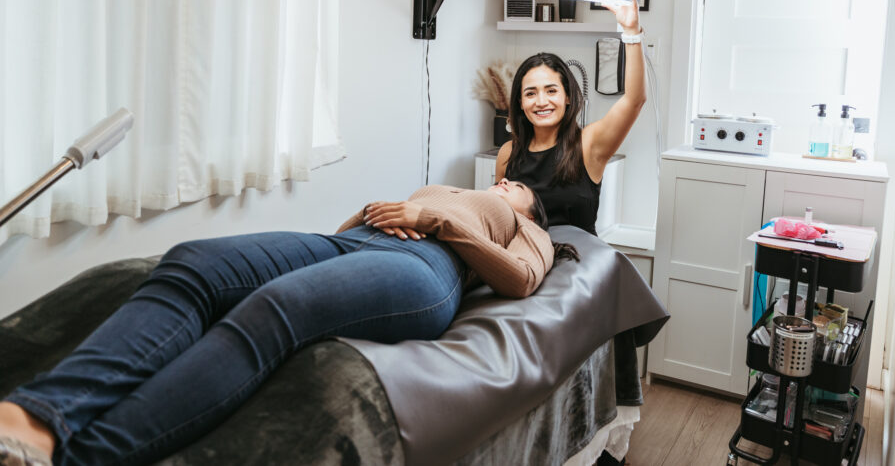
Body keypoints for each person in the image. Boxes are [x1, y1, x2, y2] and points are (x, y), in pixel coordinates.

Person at [0, 180, 552, 466]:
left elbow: (521, 279)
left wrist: (429, 218)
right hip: (348, 241)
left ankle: (84, 457)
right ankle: (35, 419)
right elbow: (358, 235)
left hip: (421, 269)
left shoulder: (526, 228)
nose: (504, 185)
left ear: (529, 210)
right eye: (504, 182)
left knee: (276, 304)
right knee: (193, 262)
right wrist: (374, 215)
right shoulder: (454, 187)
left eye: (516, 189)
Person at [495, 0, 646, 234]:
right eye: (531, 93)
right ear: (520, 103)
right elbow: (496, 217)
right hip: (527, 263)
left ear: (568, 97)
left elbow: (635, 100)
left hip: (578, 263)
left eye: (551, 90)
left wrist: (631, 31)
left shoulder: (589, 144)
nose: (541, 101)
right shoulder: (508, 153)